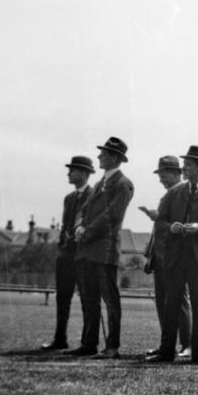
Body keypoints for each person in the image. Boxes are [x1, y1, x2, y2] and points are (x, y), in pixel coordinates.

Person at [147, 145, 198, 364]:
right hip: (176, 258)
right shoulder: (175, 193)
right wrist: (170, 228)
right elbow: (161, 222)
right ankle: (166, 351)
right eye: (185, 165)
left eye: (189, 165)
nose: (185, 169)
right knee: (170, 305)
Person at [70, 137, 134, 359]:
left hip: (105, 252)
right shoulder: (99, 184)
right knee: (88, 299)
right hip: (87, 250)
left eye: (103, 154)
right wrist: (79, 225)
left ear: (114, 158)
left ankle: (112, 346)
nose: (99, 157)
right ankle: (88, 344)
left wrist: (86, 231)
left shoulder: (123, 184)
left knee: (110, 301)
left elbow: (113, 216)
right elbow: (83, 209)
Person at [140, 155, 192, 358]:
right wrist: (150, 256)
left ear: (176, 173)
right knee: (162, 302)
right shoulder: (169, 194)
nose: (161, 179)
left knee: (179, 302)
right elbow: (158, 230)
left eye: (164, 175)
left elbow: (177, 224)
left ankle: (187, 344)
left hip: (175, 258)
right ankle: (166, 344)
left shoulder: (184, 193)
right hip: (160, 257)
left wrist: (158, 218)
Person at [41, 156, 95, 351]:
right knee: (62, 298)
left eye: (72, 170)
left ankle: (86, 342)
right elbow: (65, 225)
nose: (68, 174)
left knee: (86, 299)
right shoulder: (69, 198)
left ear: (82, 173)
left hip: (83, 256)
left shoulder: (93, 195)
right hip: (65, 256)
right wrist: (62, 246)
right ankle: (60, 339)